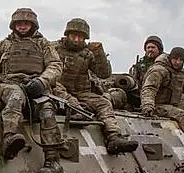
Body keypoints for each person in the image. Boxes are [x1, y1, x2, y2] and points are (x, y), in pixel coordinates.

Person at [0, 7, 64, 173]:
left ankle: (52, 160)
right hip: (10, 84)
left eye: (26, 23)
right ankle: (9, 137)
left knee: (47, 110)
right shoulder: (3, 45)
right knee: (16, 97)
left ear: (33, 25)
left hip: (36, 85)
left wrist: (42, 81)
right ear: (13, 25)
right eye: (19, 23)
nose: (22, 26)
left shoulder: (43, 44)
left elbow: (55, 66)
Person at [52, 18, 138, 154]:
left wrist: (99, 54)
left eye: (80, 37)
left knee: (103, 103)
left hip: (81, 92)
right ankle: (78, 111)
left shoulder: (87, 54)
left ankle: (113, 137)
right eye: (73, 36)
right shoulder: (54, 49)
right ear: (67, 35)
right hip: (57, 88)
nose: (76, 40)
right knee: (59, 90)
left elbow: (104, 74)